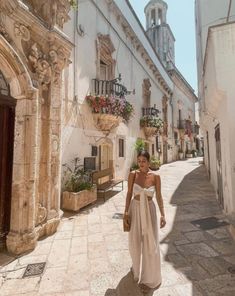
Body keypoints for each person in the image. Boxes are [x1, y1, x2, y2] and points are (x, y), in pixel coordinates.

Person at [123, 150, 166, 291]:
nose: (141, 163)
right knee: (134, 242)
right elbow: (129, 193)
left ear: (149, 162)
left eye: (144, 161)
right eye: (139, 161)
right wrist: (125, 212)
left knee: (150, 244)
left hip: (150, 210)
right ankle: (136, 269)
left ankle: (149, 277)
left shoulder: (155, 177)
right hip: (135, 209)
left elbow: (159, 196)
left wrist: (163, 214)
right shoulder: (133, 175)